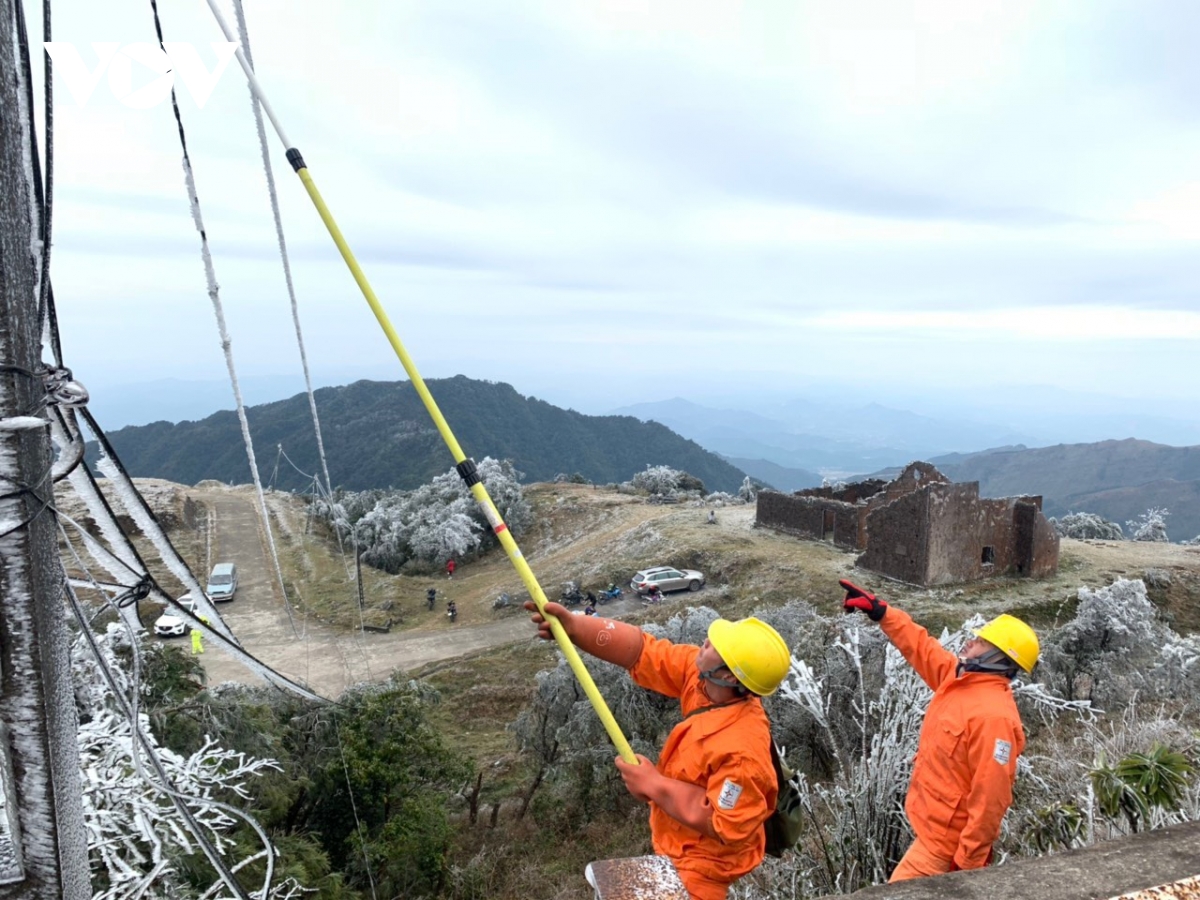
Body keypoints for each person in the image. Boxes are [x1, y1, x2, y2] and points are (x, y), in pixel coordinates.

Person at [527, 600, 791, 900]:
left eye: (718, 645)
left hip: (704, 872)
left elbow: (726, 821)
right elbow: (642, 652)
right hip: (679, 853)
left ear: (730, 675)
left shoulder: (744, 753)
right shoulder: (706, 683)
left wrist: (655, 785)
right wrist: (576, 628)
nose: (706, 640)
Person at [840, 578, 1038, 882]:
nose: (971, 642)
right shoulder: (959, 681)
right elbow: (921, 647)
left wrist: (968, 864)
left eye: (982, 642)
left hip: (945, 851)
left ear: (1000, 658)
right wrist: (882, 613)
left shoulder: (994, 718)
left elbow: (991, 800)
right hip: (929, 835)